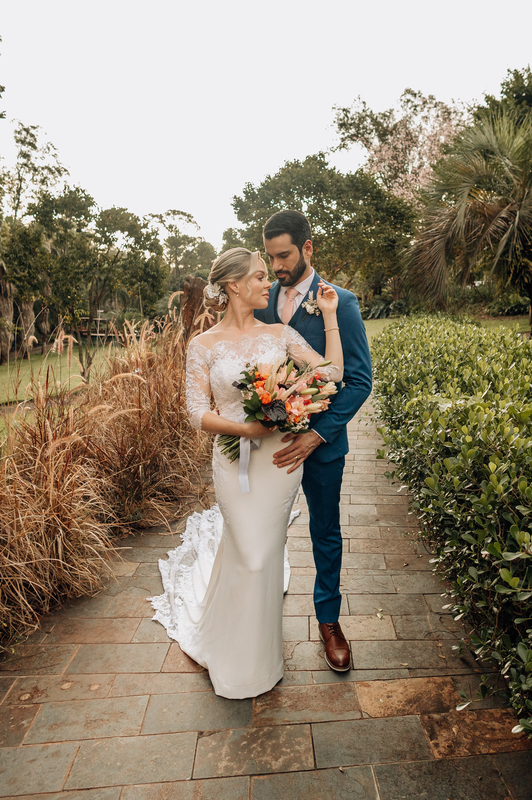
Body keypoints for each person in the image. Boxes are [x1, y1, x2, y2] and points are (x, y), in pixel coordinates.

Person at [150, 246, 343, 699]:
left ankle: (261, 662)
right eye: (259, 277)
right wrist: (244, 428)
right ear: (234, 285)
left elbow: (331, 372)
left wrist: (330, 315)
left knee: (262, 554)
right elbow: (195, 411)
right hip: (233, 458)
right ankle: (235, 653)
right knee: (248, 551)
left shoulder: (281, 333)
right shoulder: (203, 346)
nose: (266, 283)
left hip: (279, 461)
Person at [255, 209, 373, 673]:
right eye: (270, 257)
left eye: (284, 255)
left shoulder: (339, 302)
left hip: (322, 448)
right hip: (269, 447)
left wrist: (317, 436)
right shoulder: (260, 301)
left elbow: (359, 381)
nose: (277, 267)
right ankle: (260, 624)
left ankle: (328, 622)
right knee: (265, 532)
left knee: (325, 533)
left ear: (308, 248)